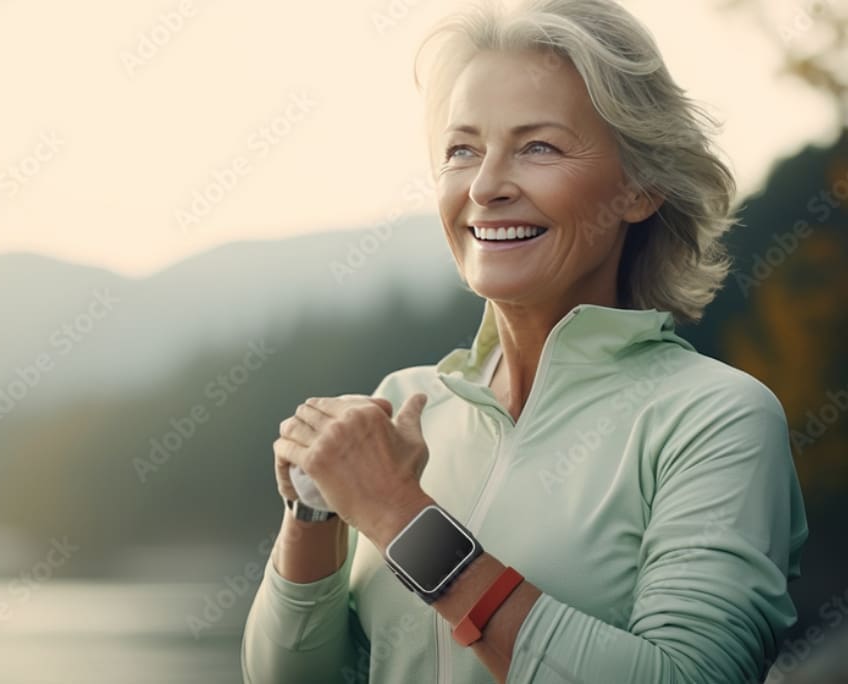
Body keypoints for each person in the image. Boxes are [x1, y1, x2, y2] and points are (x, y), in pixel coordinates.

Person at [240, 0, 809, 681]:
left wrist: (398, 513)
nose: (484, 186)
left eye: (537, 146)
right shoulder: (402, 407)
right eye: (462, 150)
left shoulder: (714, 419)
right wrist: (314, 508)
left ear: (640, 186)